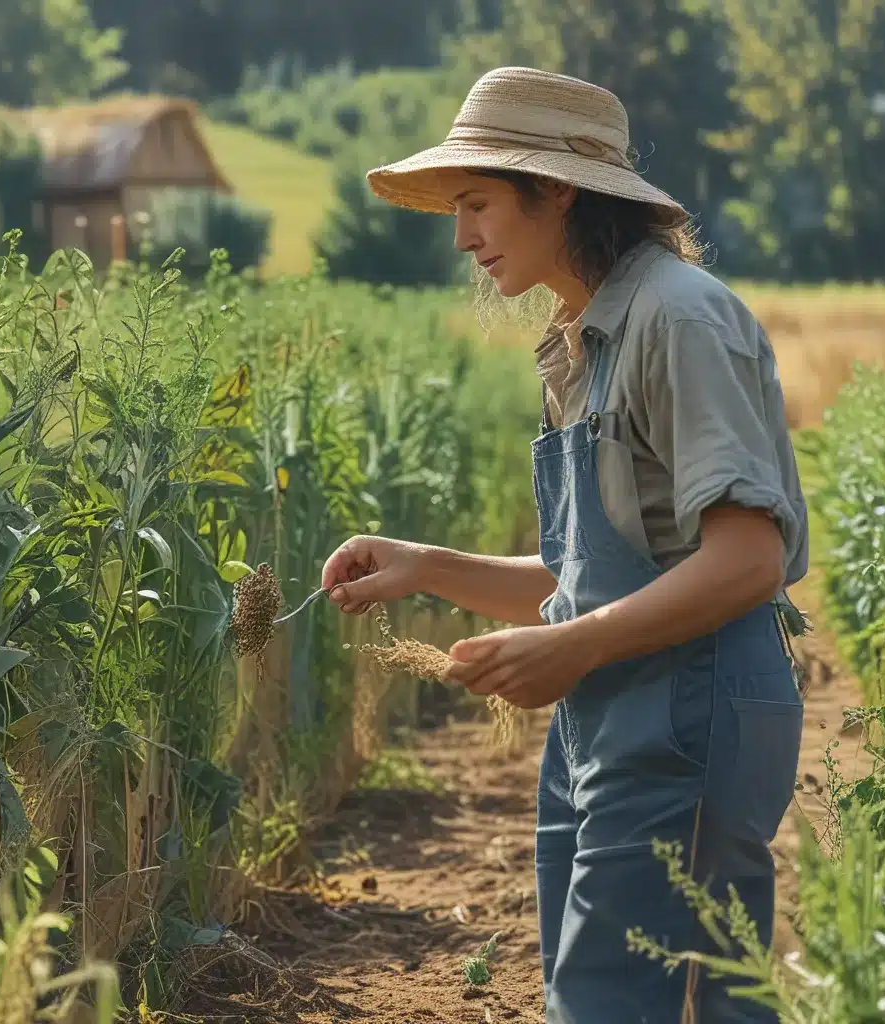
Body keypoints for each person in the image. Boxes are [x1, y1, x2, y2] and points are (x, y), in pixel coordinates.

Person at [320, 67, 810, 1023]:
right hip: (613, 713)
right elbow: (592, 573)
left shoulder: (678, 316)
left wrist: (572, 645)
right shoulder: (583, 335)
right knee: (593, 992)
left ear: (560, 192)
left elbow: (748, 560)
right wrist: (427, 568)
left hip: (690, 709)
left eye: (478, 203)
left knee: (631, 1004)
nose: (462, 236)